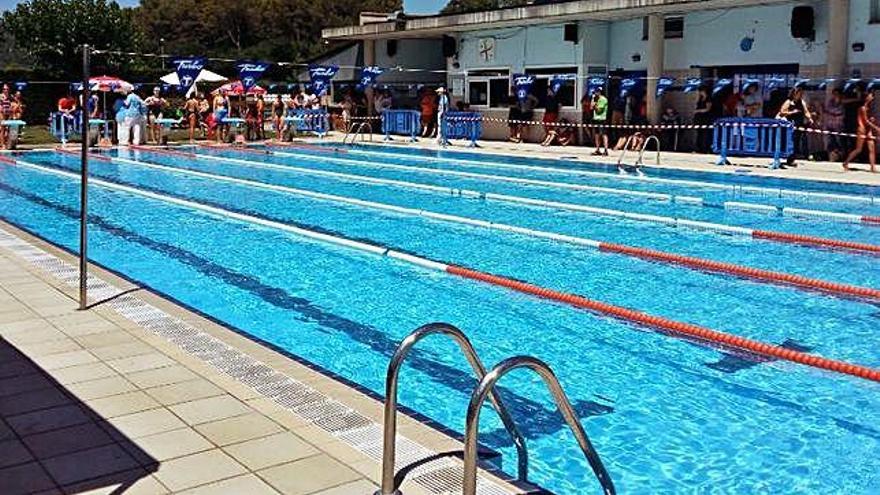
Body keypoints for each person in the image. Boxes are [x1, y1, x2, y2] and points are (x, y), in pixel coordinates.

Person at [776, 87, 813, 166]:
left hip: (799, 124)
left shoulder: (802, 102)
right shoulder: (788, 102)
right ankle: (786, 156)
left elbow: (806, 111)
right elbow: (782, 112)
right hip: (790, 124)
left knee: (797, 142)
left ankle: (792, 159)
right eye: (798, 94)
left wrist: (809, 118)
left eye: (801, 94)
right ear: (794, 94)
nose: (800, 95)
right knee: (790, 142)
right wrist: (792, 112)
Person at [842, 92, 878, 173]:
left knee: (871, 148)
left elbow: (867, 120)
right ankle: (846, 162)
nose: (872, 97)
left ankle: (873, 167)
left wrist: (871, 120)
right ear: (866, 97)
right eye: (871, 95)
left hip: (868, 129)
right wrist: (876, 128)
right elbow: (865, 121)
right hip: (862, 129)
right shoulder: (862, 108)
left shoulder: (868, 107)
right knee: (858, 149)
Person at [823, 88, 845, 161]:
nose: (835, 95)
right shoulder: (830, 102)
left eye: (836, 94)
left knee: (839, 141)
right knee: (830, 141)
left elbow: (837, 112)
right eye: (834, 94)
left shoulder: (842, 101)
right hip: (830, 125)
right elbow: (827, 111)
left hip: (838, 126)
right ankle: (832, 156)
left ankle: (841, 156)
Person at [693, 87, 715, 153]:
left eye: (700, 91)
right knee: (699, 134)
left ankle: (706, 148)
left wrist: (698, 111)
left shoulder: (708, 99)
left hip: (706, 118)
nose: (699, 93)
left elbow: (708, 109)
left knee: (706, 134)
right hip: (699, 119)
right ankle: (698, 148)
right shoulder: (700, 99)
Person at [591, 87, 609, 155]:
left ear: (599, 92)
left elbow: (599, 110)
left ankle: (605, 149)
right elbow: (591, 107)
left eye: (596, 92)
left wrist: (595, 105)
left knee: (604, 134)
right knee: (597, 135)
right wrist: (593, 99)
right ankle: (597, 149)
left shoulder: (603, 99)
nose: (595, 93)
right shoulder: (596, 99)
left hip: (602, 119)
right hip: (596, 118)